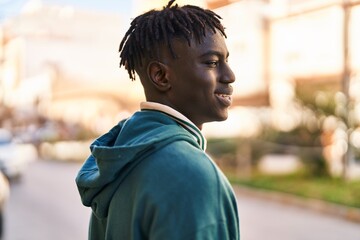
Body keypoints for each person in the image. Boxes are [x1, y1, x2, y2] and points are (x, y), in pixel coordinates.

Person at [75, 0, 239, 239]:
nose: (230, 75)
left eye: (226, 60)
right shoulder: (191, 177)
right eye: (212, 62)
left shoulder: (121, 159)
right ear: (161, 76)